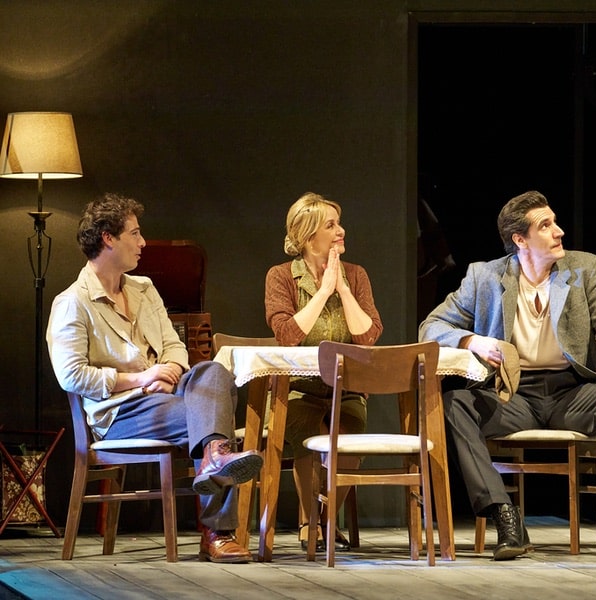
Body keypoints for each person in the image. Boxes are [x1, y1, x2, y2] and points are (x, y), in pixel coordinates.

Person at [419, 190, 596, 561]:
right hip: (512, 394)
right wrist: (472, 340)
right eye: (546, 225)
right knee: (454, 402)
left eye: (554, 222)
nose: (559, 232)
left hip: (571, 393)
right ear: (520, 240)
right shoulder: (485, 276)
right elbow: (431, 327)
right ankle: (504, 516)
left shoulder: (584, 269)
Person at [47, 193, 263, 563]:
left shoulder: (144, 289)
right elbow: (72, 375)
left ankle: (213, 458)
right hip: (119, 413)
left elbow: (175, 347)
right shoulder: (72, 303)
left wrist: (172, 372)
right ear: (108, 238)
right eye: (135, 233)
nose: (143, 242)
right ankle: (217, 530)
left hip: (166, 396)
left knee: (212, 371)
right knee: (213, 417)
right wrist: (142, 379)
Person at [264, 191, 383, 552]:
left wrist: (343, 289)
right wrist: (322, 292)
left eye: (338, 223)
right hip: (298, 386)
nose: (341, 231)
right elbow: (287, 335)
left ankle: (325, 520)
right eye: (331, 226)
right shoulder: (281, 276)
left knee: (349, 433)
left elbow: (368, 336)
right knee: (305, 430)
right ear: (307, 235)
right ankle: (308, 523)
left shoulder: (357, 275)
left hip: (346, 387)